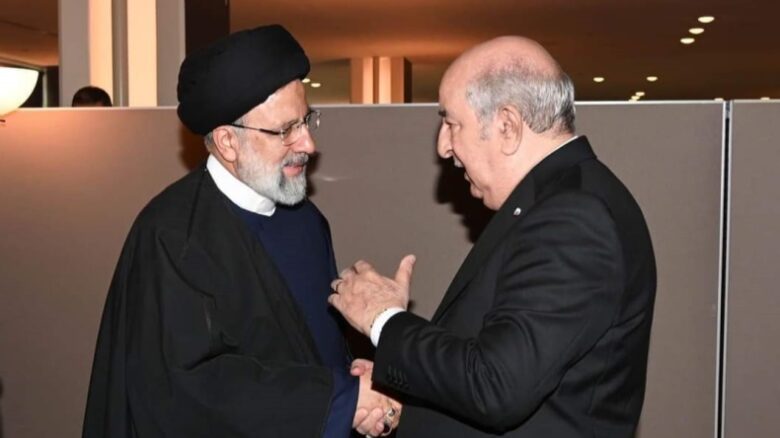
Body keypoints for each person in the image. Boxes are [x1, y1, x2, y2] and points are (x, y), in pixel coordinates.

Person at [329, 35, 657, 437]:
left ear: (507, 126)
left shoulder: (572, 218)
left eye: (452, 124)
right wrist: (405, 393)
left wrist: (384, 319)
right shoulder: (557, 201)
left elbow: (497, 386)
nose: (443, 146)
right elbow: (501, 365)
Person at [82, 25, 398, 438]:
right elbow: (187, 393)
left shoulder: (306, 220)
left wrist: (356, 387)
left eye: (306, 121)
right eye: (286, 130)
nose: (308, 144)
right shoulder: (171, 238)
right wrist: (340, 401)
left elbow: (312, 346)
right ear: (228, 142)